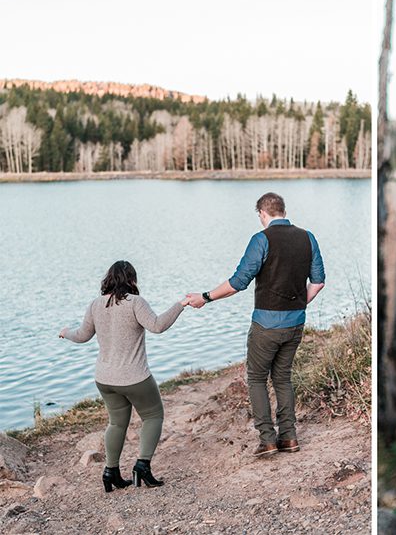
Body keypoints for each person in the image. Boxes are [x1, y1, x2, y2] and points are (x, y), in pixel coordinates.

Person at [185, 192, 325, 457]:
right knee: (283, 377)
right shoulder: (308, 237)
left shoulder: (262, 239)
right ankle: (290, 438)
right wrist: (298, 305)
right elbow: (317, 282)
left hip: (266, 324)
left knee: (257, 379)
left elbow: (239, 282)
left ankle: (268, 440)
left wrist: (205, 298)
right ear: (282, 210)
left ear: (262, 213)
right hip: (296, 323)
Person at [59, 260, 191, 491]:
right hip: (134, 377)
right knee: (153, 416)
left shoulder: (95, 305)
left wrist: (65, 333)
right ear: (131, 280)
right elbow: (158, 325)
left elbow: (81, 336)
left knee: (116, 423)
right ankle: (142, 467)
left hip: (105, 379)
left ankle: (111, 473)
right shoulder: (134, 302)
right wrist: (181, 304)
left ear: (108, 279)